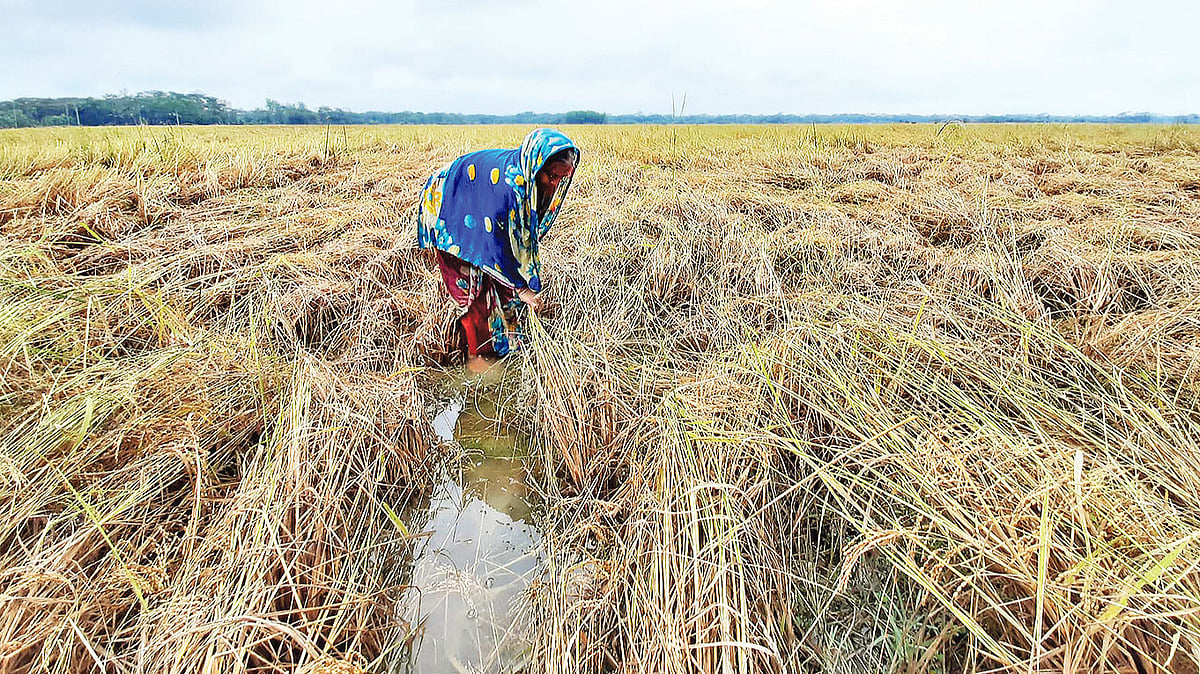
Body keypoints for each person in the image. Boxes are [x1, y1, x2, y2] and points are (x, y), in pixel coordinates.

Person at [416, 128, 579, 373]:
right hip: (449, 209)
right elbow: (497, 246)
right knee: (474, 288)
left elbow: (517, 237)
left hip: (479, 210)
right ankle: (476, 357)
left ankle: (503, 340)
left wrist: (521, 285)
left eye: (561, 178)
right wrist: (523, 288)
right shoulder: (508, 190)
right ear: (537, 165)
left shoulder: (528, 176)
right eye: (552, 176)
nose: (555, 184)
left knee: (503, 285)